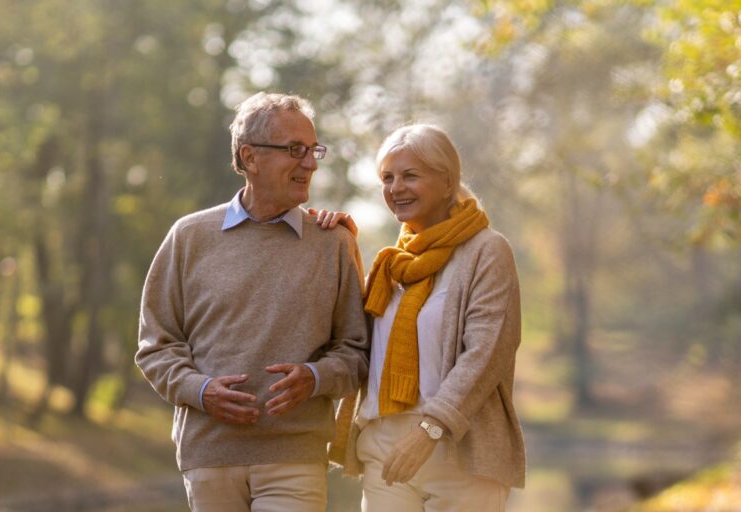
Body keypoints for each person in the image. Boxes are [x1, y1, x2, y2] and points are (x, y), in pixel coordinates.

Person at [135, 92, 369, 512]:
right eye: (295, 150)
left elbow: (358, 351)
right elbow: (156, 347)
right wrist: (201, 391)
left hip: (296, 453)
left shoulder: (333, 243)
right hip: (208, 456)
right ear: (251, 156)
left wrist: (314, 378)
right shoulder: (189, 237)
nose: (311, 163)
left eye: (313, 150)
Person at [325, 124, 525, 511]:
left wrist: (430, 428)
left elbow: (487, 353)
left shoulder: (487, 251)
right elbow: (357, 344)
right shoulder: (389, 263)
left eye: (410, 175)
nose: (395, 188)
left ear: (448, 181)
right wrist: (333, 243)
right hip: (382, 446)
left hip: (459, 447)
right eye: (387, 178)